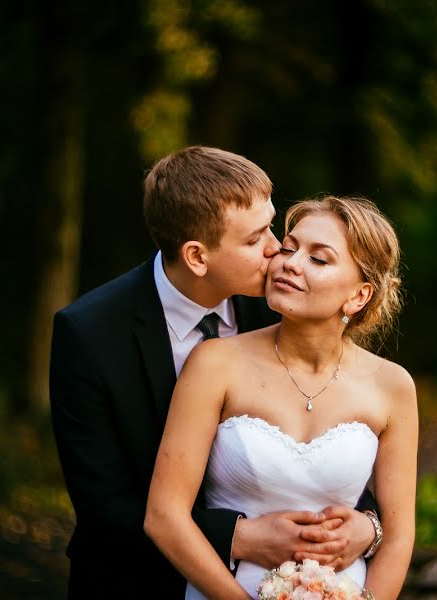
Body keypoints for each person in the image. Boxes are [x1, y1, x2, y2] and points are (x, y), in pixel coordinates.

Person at [50, 148, 379, 599]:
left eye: (271, 225)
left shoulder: (282, 300)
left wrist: (370, 524)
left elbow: (337, 422)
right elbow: (104, 508)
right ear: (197, 257)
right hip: (134, 581)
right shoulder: (89, 335)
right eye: (254, 238)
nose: (276, 249)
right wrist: (239, 536)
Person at [145, 196, 418, 599]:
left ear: (359, 296)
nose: (289, 262)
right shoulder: (214, 364)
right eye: (289, 248)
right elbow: (165, 516)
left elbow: (399, 536)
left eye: (318, 259)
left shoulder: (392, 386)